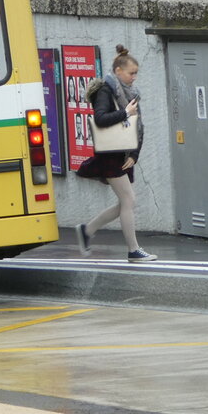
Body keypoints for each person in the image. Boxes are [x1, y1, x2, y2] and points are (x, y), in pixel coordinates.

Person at [74, 45, 157, 263]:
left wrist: (135, 154)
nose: (134, 77)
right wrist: (125, 113)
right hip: (110, 153)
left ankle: (87, 230)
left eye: (136, 73)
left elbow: (139, 125)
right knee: (129, 200)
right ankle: (133, 250)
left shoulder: (130, 93)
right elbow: (100, 119)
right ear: (118, 71)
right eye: (131, 73)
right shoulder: (106, 90)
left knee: (125, 203)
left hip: (123, 154)